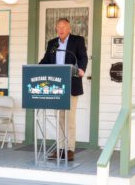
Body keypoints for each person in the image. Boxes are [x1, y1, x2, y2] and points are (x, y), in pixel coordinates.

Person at [39, 18, 88, 161]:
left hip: (72, 84)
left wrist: (82, 69)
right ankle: (60, 148)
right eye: (58, 27)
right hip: (57, 85)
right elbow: (46, 60)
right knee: (60, 118)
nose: (60, 29)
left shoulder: (77, 41)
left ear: (69, 28)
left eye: (63, 27)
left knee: (70, 118)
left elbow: (82, 57)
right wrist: (36, 68)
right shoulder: (53, 43)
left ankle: (70, 149)